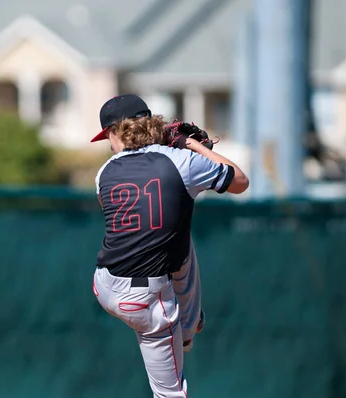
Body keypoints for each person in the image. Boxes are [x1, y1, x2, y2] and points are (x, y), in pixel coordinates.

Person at [91, 94, 249, 397]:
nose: (108, 143)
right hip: (146, 299)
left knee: (175, 238)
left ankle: (185, 328)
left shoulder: (104, 173)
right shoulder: (181, 160)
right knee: (170, 394)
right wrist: (190, 144)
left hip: (104, 282)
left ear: (116, 131)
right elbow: (240, 181)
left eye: (107, 135)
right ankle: (185, 330)